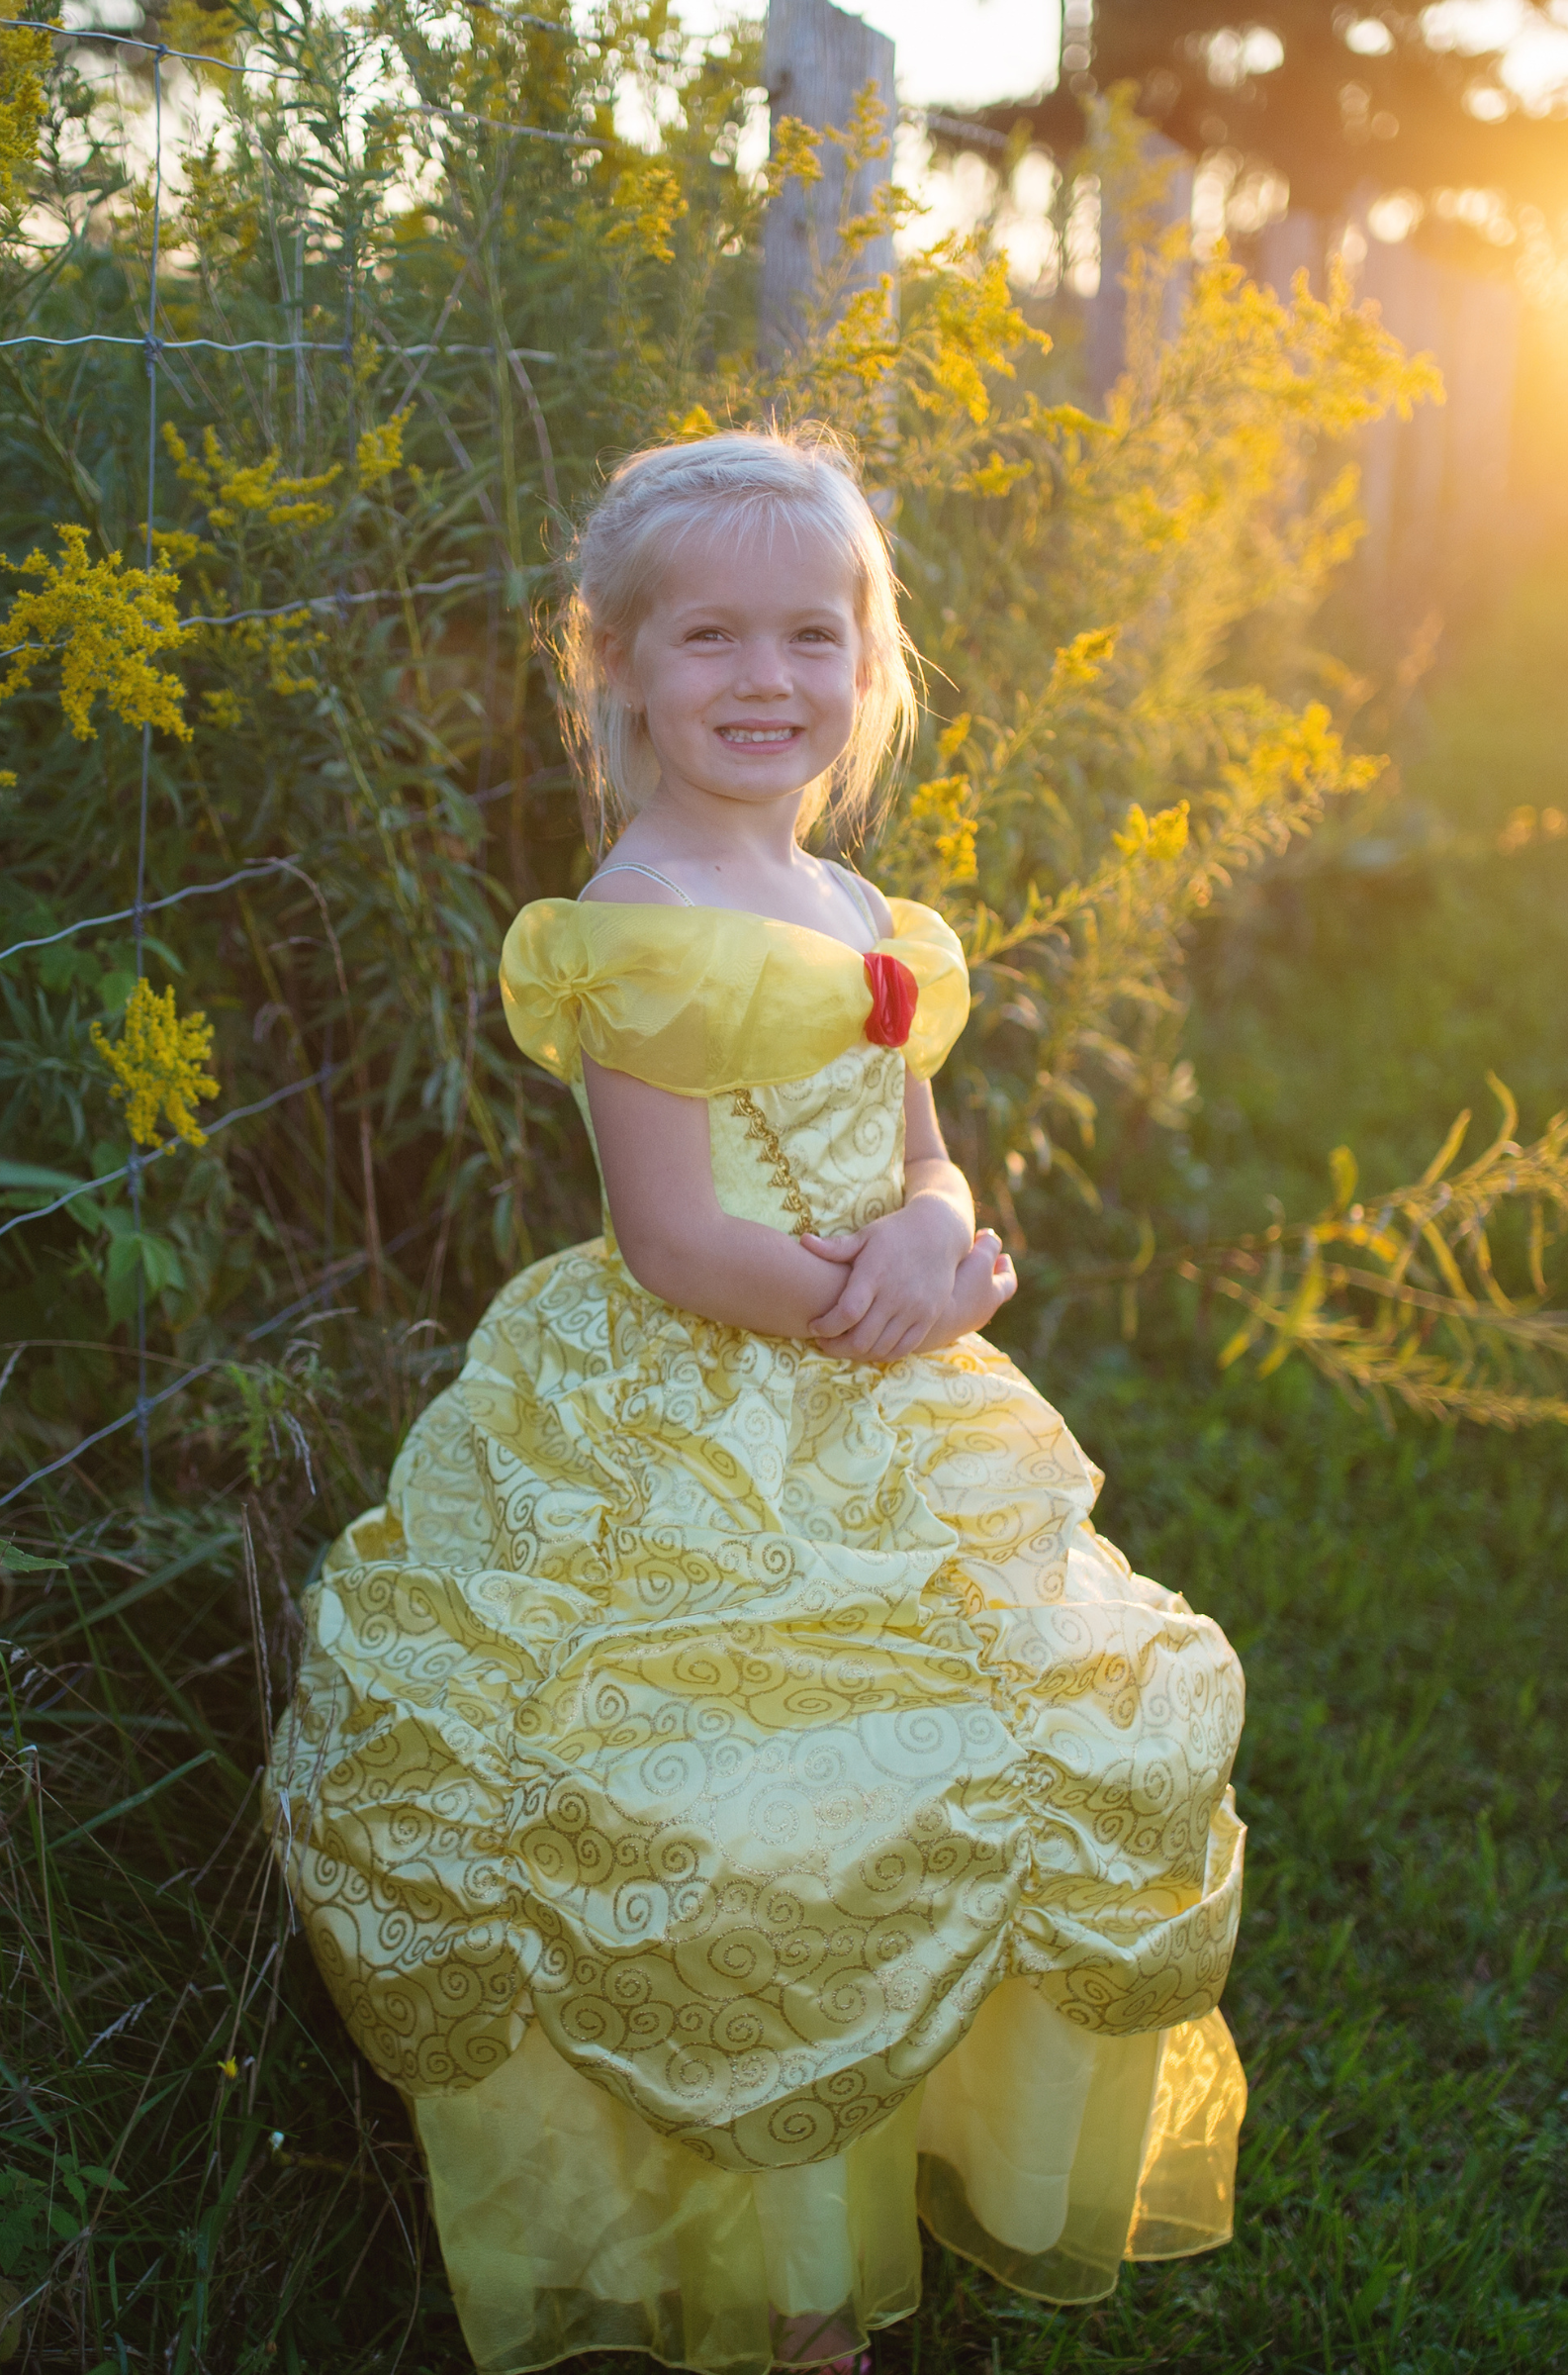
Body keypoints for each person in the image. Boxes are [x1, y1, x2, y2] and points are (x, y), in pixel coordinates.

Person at [269, 425, 1247, 2375]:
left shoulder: (864, 917)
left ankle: (866, 2174)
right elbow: (675, 1243)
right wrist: (866, 1300)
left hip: (867, 1369)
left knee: (959, 1762)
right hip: (698, 1413)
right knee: (731, 1821)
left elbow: (924, 1153)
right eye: (708, 637)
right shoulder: (642, 918)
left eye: (811, 636)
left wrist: (946, 1242)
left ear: (866, 665)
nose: (762, 681)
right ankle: (757, 2270)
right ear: (612, 664)